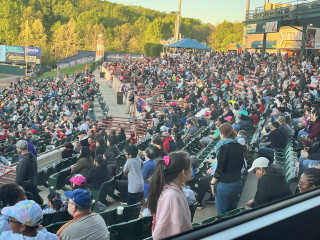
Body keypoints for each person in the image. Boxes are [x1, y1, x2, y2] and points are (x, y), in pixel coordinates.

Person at [147, 151, 192, 240]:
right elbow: (164, 231)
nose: (191, 170)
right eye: (190, 168)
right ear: (183, 172)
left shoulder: (178, 189)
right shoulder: (171, 196)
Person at [210, 123, 244, 215]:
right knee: (232, 212)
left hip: (225, 185)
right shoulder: (240, 146)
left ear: (222, 134)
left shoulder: (224, 147)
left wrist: (212, 183)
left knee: (222, 214)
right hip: (237, 183)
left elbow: (220, 169)